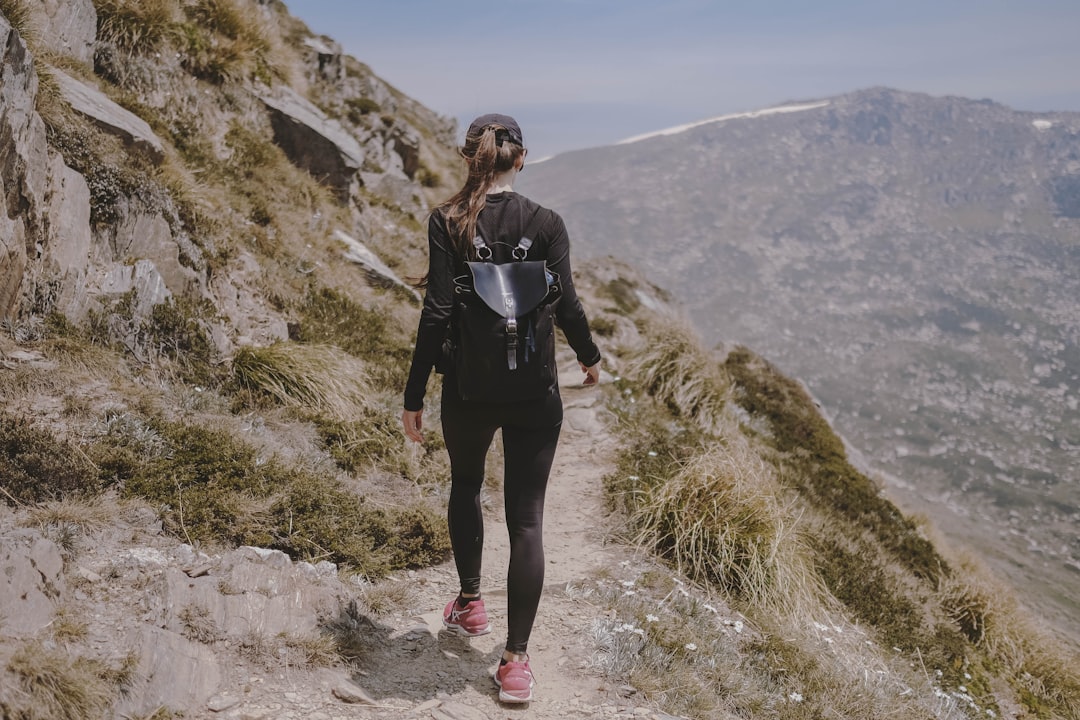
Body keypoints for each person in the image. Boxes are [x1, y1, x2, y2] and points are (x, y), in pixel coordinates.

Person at [401, 113, 602, 704]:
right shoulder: (547, 223)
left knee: (466, 487)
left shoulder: (448, 221)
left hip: (468, 389)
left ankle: (469, 604)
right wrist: (589, 358)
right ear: (522, 158)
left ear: (472, 159)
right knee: (528, 520)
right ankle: (516, 662)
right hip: (535, 393)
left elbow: (437, 312)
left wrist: (414, 395)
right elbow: (566, 305)